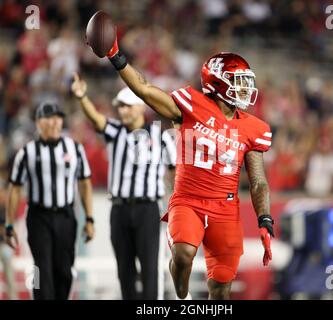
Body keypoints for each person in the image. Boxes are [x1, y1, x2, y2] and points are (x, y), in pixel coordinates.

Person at [88, 33, 274, 300]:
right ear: (217, 82)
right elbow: (145, 89)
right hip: (189, 201)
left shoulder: (254, 128)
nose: (245, 89)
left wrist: (264, 218)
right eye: (238, 81)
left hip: (226, 209)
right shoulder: (191, 105)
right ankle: (182, 298)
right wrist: (117, 56)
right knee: (184, 254)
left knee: (221, 288)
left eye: (246, 82)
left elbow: (258, 181)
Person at [71, 77, 176, 300]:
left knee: (150, 269)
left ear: (140, 106)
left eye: (127, 106)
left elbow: (176, 171)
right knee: (124, 270)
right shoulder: (116, 131)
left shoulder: (160, 137)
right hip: (119, 209)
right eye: (120, 107)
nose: (123, 111)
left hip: (148, 209)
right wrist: (82, 98)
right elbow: (97, 120)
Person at [3, 101, 95, 300]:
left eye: (58, 118)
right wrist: (9, 224)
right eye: (49, 118)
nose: (54, 123)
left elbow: (85, 183)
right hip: (39, 216)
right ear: (38, 122)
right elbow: (15, 188)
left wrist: (89, 219)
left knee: (64, 270)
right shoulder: (27, 152)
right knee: (41, 267)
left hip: (65, 216)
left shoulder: (74, 148)